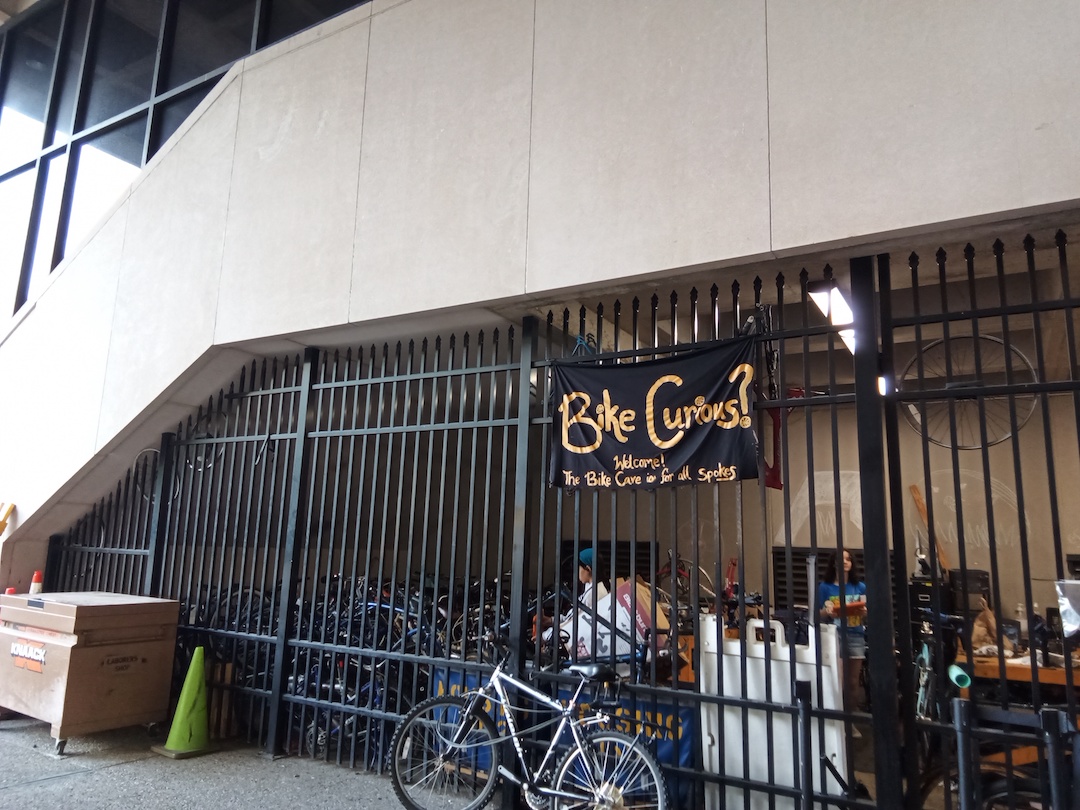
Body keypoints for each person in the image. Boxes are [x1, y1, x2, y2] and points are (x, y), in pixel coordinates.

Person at [817, 550, 868, 714]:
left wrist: (864, 612)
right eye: (841, 559)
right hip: (834, 635)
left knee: (853, 682)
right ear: (834, 563)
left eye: (848, 559)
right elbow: (817, 615)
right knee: (837, 679)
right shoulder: (825, 587)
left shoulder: (860, 587)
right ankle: (836, 720)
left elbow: (866, 614)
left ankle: (850, 719)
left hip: (856, 635)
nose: (845, 562)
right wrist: (827, 611)